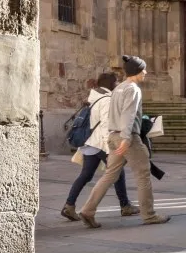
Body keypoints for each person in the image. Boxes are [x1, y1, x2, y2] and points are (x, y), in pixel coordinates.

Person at [79, 55, 170, 228]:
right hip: (126, 137)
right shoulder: (133, 89)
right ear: (136, 71)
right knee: (143, 173)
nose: (146, 72)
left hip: (113, 136)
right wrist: (127, 139)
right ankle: (149, 215)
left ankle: (87, 210)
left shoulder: (118, 88)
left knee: (109, 175)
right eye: (143, 69)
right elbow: (128, 116)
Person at [61, 72, 139, 222]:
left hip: (90, 142)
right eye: (116, 82)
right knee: (117, 171)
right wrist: (110, 150)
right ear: (110, 84)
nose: (117, 85)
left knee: (86, 175)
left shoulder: (95, 97)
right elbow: (105, 125)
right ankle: (125, 206)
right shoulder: (107, 100)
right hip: (99, 143)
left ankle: (69, 206)